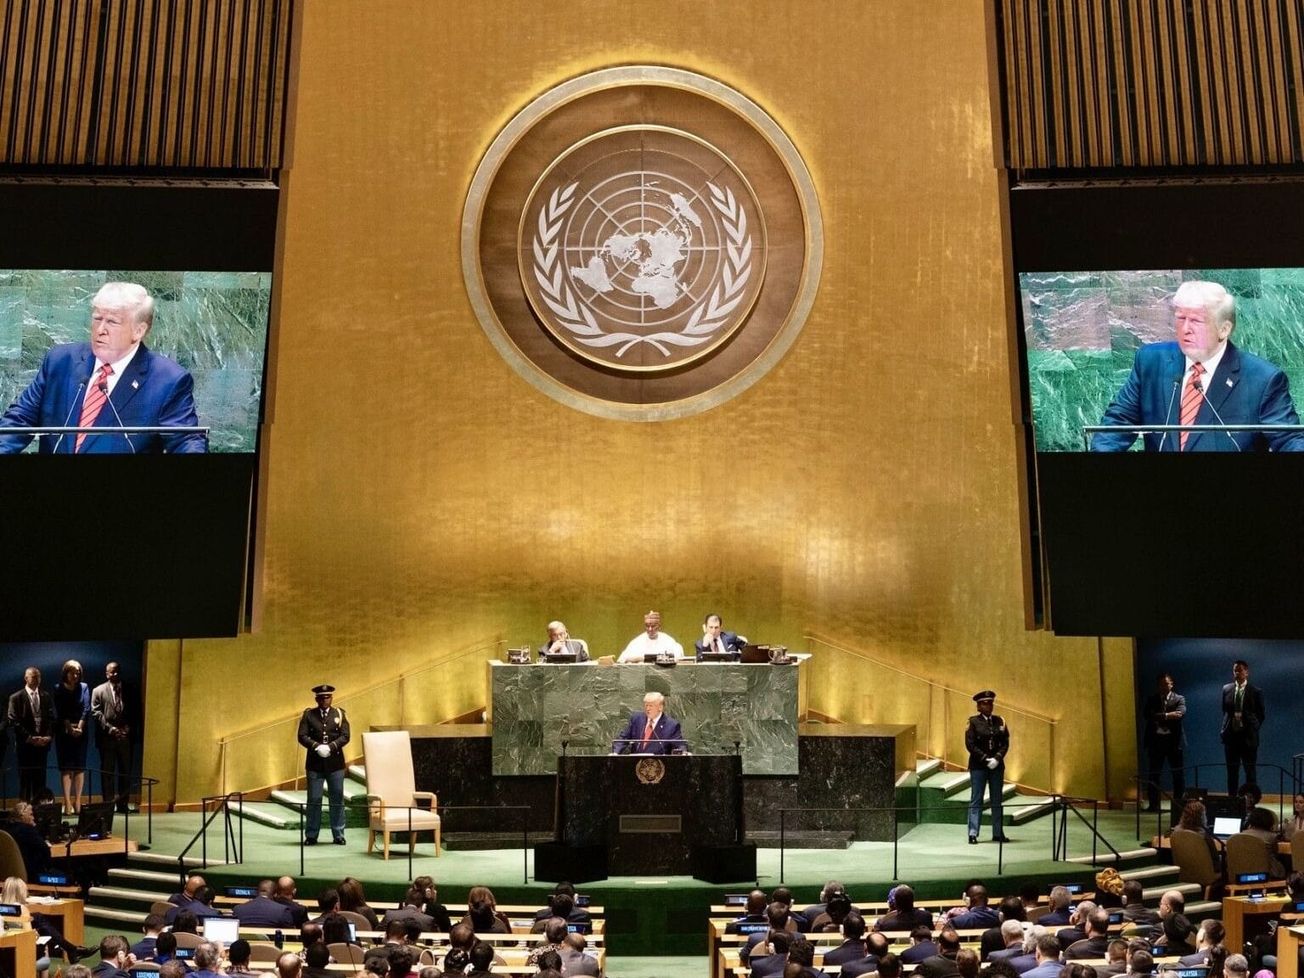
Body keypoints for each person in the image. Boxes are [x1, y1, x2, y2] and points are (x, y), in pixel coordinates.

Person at [1092, 280, 1304, 453]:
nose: (1185, 329)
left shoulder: (1263, 379)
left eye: (1196, 321)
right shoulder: (1150, 362)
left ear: (1224, 329)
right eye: (1180, 318)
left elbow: (1290, 441)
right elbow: (1117, 423)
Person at [0, 282, 206, 454]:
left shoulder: (169, 380)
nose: (100, 330)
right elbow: (19, 421)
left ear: (139, 330)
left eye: (112, 322)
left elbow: (186, 442)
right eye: (97, 318)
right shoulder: (60, 361)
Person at [297, 684, 350, 845]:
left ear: (331, 698)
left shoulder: (339, 714)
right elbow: (302, 736)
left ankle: (339, 834)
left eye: (327, 697)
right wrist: (316, 746)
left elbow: (346, 735)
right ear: (316, 699)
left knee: (337, 798)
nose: (324, 700)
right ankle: (311, 835)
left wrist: (331, 746)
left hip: (335, 764)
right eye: (321, 697)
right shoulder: (309, 715)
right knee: (314, 799)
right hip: (315, 764)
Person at [966, 690, 1010, 845]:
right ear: (978, 706)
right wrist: (986, 759)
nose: (989, 706)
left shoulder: (1000, 721)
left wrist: (997, 758)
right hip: (979, 766)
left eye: (990, 703)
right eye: (985, 703)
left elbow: (1005, 743)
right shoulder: (973, 722)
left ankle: (998, 833)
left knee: (997, 799)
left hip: (996, 766)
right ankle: (973, 833)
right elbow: (970, 744)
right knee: (976, 799)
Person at [91, 661, 136, 813]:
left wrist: (127, 728)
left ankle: (123, 805)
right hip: (107, 738)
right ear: (107, 673)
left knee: (125, 773)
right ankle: (108, 805)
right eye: (112, 672)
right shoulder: (98, 690)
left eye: (117, 671)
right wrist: (111, 729)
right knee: (107, 773)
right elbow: (96, 713)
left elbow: (136, 711)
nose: (115, 674)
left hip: (125, 738)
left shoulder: (130, 689)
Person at [8, 667, 54, 801]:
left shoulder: (46, 696)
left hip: (42, 747)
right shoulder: (16, 698)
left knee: (40, 781)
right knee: (25, 781)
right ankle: (24, 814)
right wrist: (29, 738)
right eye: (33, 676)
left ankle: (39, 813)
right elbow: (13, 721)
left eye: (38, 676)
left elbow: (51, 719)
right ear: (26, 678)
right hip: (25, 747)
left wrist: (48, 736)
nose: (36, 679)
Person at [1141, 673, 1186, 812]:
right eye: (1161, 684)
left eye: (1166, 684)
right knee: (1154, 775)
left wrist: (1159, 716)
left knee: (1178, 775)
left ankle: (1178, 805)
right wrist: (1167, 715)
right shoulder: (1152, 699)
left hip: (1174, 742)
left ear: (1171, 684)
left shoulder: (1179, 698)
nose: (1163, 686)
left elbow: (1180, 714)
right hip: (1156, 742)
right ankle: (1154, 805)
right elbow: (1148, 715)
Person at [52, 660, 91, 815]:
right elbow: (61, 711)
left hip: (81, 731)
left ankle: (78, 800)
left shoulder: (84, 687)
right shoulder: (58, 688)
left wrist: (80, 727)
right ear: (65, 673)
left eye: (77, 673)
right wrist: (69, 728)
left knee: (79, 767)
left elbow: (86, 709)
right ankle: (67, 801)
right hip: (64, 732)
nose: (75, 675)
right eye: (72, 672)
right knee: (66, 767)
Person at [1221, 661, 1264, 795]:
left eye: (1240, 670)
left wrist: (1252, 728)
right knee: (1232, 772)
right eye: (1235, 670)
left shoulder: (1256, 691)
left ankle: (1250, 801)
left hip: (1248, 739)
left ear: (1246, 672)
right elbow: (1225, 711)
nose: (1237, 673)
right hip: (1231, 737)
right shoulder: (1226, 689)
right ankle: (1232, 801)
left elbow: (1261, 714)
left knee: (1250, 773)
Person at [611, 691, 686, 755]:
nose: (647, 709)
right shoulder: (636, 719)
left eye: (651, 706)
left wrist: (683, 752)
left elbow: (679, 745)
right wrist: (615, 753)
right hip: (635, 764)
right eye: (646, 705)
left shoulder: (672, 725)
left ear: (660, 707)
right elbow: (623, 738)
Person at [617, 610, 684, 662]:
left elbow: (678, 657)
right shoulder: (637, 642)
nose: (650, 629)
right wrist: (640, 658)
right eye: (647, 626)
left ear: (659, 626)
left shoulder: (668, 640)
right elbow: (622, 659)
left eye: (653, 626)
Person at [6, 801, 51, 877]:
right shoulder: (28, 830)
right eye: (31, 815)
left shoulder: (7, 829)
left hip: (9, 873)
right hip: (32, 873)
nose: (33, 818)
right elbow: (45, 850)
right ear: (22, 816)